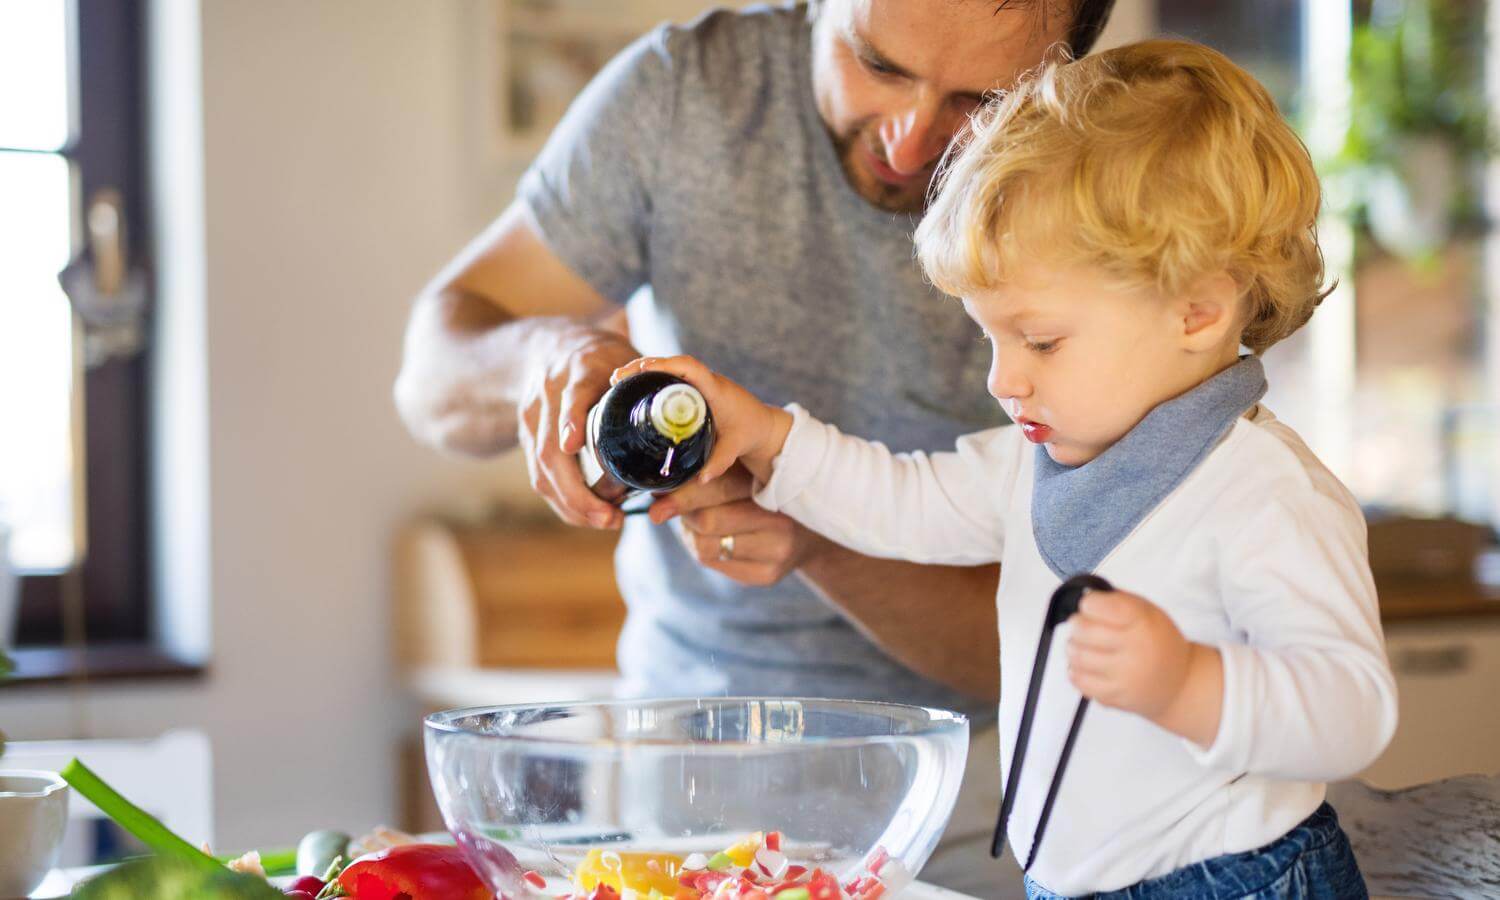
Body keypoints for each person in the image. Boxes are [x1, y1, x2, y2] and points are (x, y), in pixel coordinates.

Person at [611, 39, 1399, 899]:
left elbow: (1352, 710)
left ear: (1198, 311)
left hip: (1236, 882)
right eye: (991, 336)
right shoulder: (1030, 461)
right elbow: (898, 502)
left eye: (1041, 339)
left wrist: (1190, 684)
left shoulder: (1265, 495)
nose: (1002, 376)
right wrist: (763, 433)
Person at [395, 2, 1117, 895]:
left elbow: (1049, 654)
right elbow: (431, 375)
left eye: (981, 99)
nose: (908, 136)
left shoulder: (1098, 184)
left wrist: (814, 534)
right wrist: (544, 357)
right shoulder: (682, 95)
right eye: (877, 64)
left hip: (975, 790)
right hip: (678, 763)